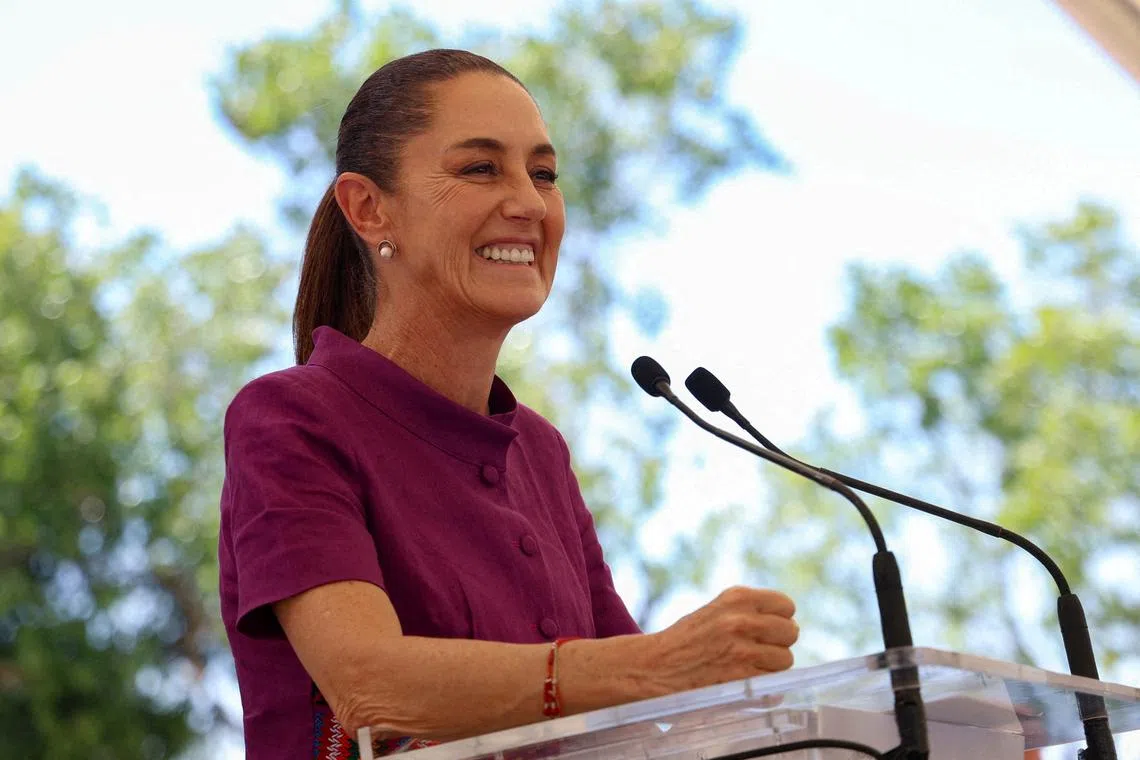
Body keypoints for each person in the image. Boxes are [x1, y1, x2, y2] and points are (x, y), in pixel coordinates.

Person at [218, 49, 799, 760]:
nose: (529, 201)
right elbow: (368, 684)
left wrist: (750, 698)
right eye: (481, 168)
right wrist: (655, 665)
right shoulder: (290, 418)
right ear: (369, 209)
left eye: (545, 173)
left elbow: (646, 716)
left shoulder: (541, 453)